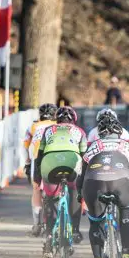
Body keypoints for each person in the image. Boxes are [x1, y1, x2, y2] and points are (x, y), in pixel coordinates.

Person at [77, 116, 129, 258]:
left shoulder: (93, 147)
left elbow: (81, 176)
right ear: (119, 133)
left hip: (94, 184)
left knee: (95, 222)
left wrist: (80, 194)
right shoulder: (126, 146)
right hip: (121, 182)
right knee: (127, 210)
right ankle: (126, 251)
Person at [35, 106, 87, 250]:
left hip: (50, 164)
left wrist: (38, 177)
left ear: (57, 119)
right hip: (72, 163)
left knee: (50, 198)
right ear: (74, 120)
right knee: (75, 192)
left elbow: (39, 156)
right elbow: (85, 157)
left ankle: (50, 234)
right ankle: (75, 230)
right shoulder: (79, 131)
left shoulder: (48, 130)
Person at [23, 103, 57, 237]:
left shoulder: (33, 126)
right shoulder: (58, 126)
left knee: (36, 189)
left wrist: (27, 160)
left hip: (38, 159)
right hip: (55, 159)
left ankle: (36, 224)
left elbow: (25, 145)